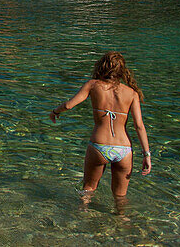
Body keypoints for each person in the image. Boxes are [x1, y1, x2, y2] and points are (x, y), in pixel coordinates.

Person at [50, 52, 151, 203]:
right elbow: (139, 126)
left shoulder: (93, 85)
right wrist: (146, 155)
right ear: (122, 70)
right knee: (120, 197)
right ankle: (122, 222)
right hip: (124, 150)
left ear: (101, 66)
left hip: (99, 146)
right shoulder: (131, 93)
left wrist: (55, 112)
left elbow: (68, 105)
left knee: (88, 190)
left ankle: (81, 218)